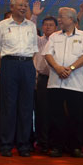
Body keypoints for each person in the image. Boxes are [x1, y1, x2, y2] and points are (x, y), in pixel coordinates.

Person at [0, 0, 38, 157]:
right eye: (20, 5)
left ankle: (24, 144)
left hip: (26, 65)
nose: (23, 7)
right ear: (11, 7)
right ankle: (6, 144)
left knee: (26, 107)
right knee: (8, 106)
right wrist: (2, 68)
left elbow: (34, 51)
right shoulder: (2, 25)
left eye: (25, 5)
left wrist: (27, 66)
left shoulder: (31, 26)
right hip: (8, 65)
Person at [44, 7, 83, 158]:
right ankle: (57, 146)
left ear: (71, 19)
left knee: (76, 116)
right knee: (56, 116)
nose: (58, 20)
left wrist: (70, 68)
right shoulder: (54, 36)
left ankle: (75, 147)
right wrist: (58, 68)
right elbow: (47, 54)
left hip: (75, 82)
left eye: (61, 17)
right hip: (55, 81)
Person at [34, 16, 57, 152]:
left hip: (57, 78)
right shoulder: (38, 41)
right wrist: (35, 15)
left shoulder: (58, 40)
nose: (48, 27)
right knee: (41, 111)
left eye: (51, 25)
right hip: (42, 79)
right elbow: (31, 28)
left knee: (55, 111)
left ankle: (54, 141)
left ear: (56, 28)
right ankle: (42, 141)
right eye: (46, 25)